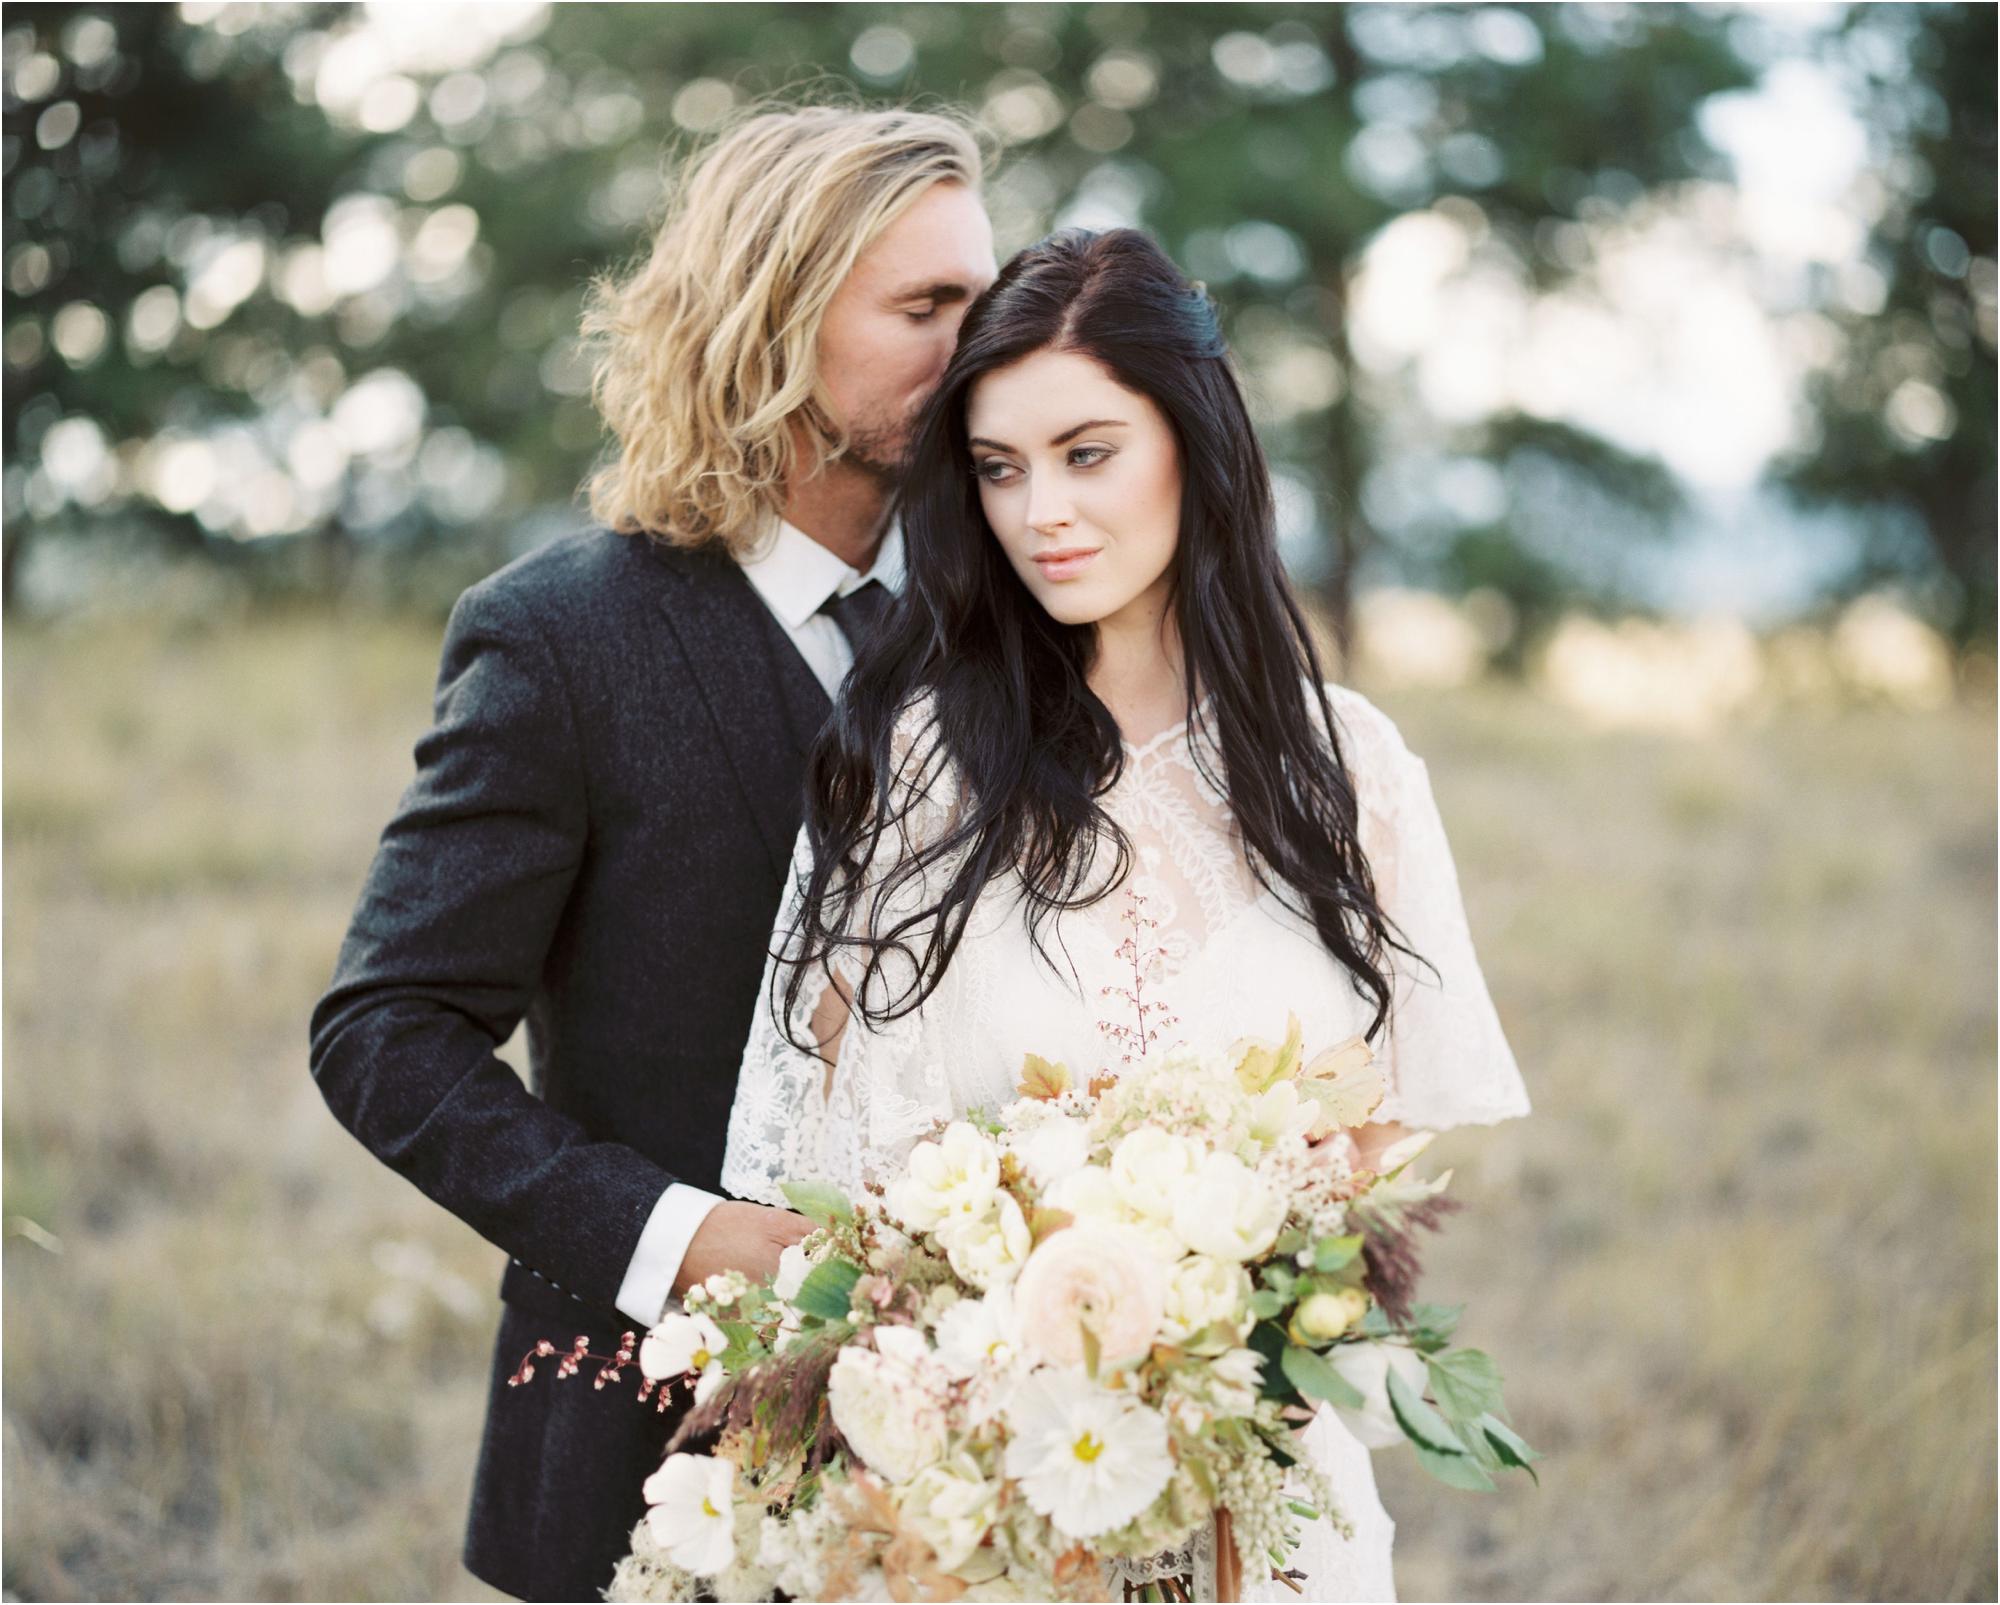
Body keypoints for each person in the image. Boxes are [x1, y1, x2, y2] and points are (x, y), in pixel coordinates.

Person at [723, 228, 1531, 1601]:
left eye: (1087, 452)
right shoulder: (910, 774)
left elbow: (1380, 1147)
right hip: (987, 1516)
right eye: (998, 467)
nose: (1042, 510)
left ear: (1192, 447)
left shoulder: (1354, 773)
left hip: (1273, 1513)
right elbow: (819, 1169)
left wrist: (1238, 1307)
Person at [308, 104, 997, 1602]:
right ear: (776, 316)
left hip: (989, 1468)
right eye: (927, 305)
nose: (979, 343)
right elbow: (384, 1034)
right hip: (642, 1462)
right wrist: (683, 1240)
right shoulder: (560, 639)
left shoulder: (1019, 625)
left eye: (984, 300)